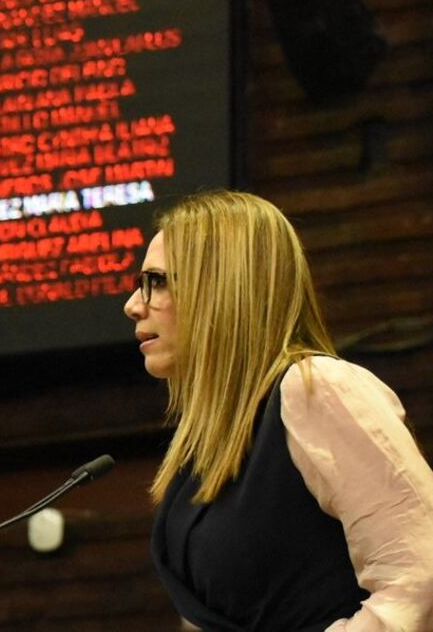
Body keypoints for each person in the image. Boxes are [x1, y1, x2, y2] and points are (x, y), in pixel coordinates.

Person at [123, 189, 433, 631]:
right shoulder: (201, 449)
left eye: (156, 281)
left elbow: (421, 578)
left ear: (219, 286)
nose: (133, 304)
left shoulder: (318, 390)